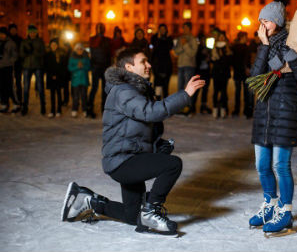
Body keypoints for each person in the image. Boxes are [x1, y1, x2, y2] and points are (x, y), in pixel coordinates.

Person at [61, 48, 205, 236]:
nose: (149, 65)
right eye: (143, 62)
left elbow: (136, 130)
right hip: (123, 161)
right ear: (129, 67)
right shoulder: (123, 91)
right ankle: (151, 212)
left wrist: (157, 146)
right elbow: (150, 112)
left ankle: (89, 201)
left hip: (127, 157)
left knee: (131, 216)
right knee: (173, 165)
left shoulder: (135, 90)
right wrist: (185, 95)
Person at [248, 0, 297, 233]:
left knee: (280, 165)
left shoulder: (294, 43)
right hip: (264, 112)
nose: (262, 25)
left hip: (286, 111)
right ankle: (270, 205)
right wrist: (264, 46)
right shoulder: (262, 45)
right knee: (261, 165)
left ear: (276, 22)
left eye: (265, 21)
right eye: (260, 21)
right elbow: (254, 79)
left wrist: (292, 57)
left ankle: (285, 211)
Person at [20, 24, 46, 116]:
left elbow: (43, 53)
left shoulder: (40, 41)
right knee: (26, 87)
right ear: (28, 33)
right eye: (30, 32)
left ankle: (43, 105)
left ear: (36, 33)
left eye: (34, 32)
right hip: (27, 66)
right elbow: (21, 54)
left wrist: (34, 52)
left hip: (38, 66)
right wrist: (26, 52)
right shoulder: (24, 41)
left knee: (40, 86)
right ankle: (25, 106)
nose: (32, 34)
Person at [173, 22, 198, 115]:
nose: (185, 30)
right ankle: (180, 107)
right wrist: (183, 45)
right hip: (180, 65)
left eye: (186, 28)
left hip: (189, 65)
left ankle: (189, 107)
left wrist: (185, 45)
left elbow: (192, 53)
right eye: (184, 28)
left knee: (189, 88)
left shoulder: (193, 39)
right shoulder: (180, 38)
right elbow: (176, 51)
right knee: (180, 88)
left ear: (190, 29)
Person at [88, 23, 111, 118]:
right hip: (96, 67)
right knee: (94, 88)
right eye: (98, 28)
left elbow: (109, 54)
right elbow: (92, 54)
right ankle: (90, 109)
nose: (99, 29)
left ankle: (104, 109)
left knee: (105, 90)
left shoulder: (107, 40)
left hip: (104, 67)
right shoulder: (92, 39)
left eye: (101, 28)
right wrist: (92, 65)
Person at [44, 38, 68, 118]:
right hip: (51, 77)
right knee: (52, 94)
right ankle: (52, 110)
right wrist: (51, 75)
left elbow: (63, 67)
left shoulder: (61, 54)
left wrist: (57, 75)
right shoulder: (47, 55)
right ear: (50, 46)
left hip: (59, 77)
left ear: (57, 46)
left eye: (55, 45)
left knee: (58, 93)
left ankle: (58, 110)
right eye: (52, 45)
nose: (53, 46)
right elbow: (46, 67)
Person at [211, 31, 232, 119]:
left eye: (223, 37)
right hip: (216, 72)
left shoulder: (228, 48)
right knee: (215, 91)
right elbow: (213, 60)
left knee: (224, 92)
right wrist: (216, 56)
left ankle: (223, 110)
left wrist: (224, 55)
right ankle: (215, 109)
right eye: (220, 37)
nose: (222, 38)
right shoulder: (214, 47)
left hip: (224, 73)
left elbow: (229, 61)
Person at [231, 31, 253, 118]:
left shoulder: (236, 47)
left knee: (239, 92)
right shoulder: (245, 48)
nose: (246, 38)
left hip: (240, 72)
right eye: (245, 37)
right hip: (243, 72)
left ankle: (238, 110)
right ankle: (245, 111)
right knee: (244, 93)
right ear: (242, 38)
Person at [150, 24, 173, 100]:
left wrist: (164, 39)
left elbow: (169, 47)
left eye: (164, 29)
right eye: (161, 29)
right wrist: (159, 38)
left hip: (166, 65)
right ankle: (158, 102)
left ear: (166, 30)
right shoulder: (154, 37)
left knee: (166, 85)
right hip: (157, 65)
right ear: (158, 29)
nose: (162, 30)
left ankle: (166, 104)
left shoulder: (169, 38)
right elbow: (155, 47)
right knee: (158, 84)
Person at [68, 43, 91, 118]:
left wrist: (83, 66)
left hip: (84, 79)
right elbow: (69, 68)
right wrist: (77, 67)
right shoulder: (72, 58)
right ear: (75, 50)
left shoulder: (86, 57)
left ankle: (84, 109)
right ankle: (75, 109)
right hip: (75, 80)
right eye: (78, 49)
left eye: (81, 49)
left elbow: (89, 67)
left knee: (84, 95)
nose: (79, 50)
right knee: (76, 96)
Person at [0, 27, 18, 113]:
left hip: (8, 67)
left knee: (9, 86)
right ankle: (4, 104)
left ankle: (15, 103)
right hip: (0, 67)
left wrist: (10, 62)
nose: (1, 35)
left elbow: (15, 55)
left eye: (3, 34)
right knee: (2, 86)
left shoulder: (10, 43)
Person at [195, 32, 212, 114]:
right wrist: (203, 55)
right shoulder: (197, 48)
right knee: (197, 90)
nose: (203, 41)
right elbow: (196, 59)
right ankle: (193, 106)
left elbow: (210, 58)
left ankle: (203, 106)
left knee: (205, 90)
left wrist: (208, 57)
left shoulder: (207, 48)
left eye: (204, 39)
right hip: (199, 72)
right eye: (202, 39)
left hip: (206, 72)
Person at [8, 24, 23, 112]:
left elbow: (21, 52)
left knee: (18, 83)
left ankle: (19, 101)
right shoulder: (6, 40)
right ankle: (12, 101)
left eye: (14, 29)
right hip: (8, 65)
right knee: (9, 84)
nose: (13, 31)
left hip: (17, 65)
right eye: (12, 29)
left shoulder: (20, 39)